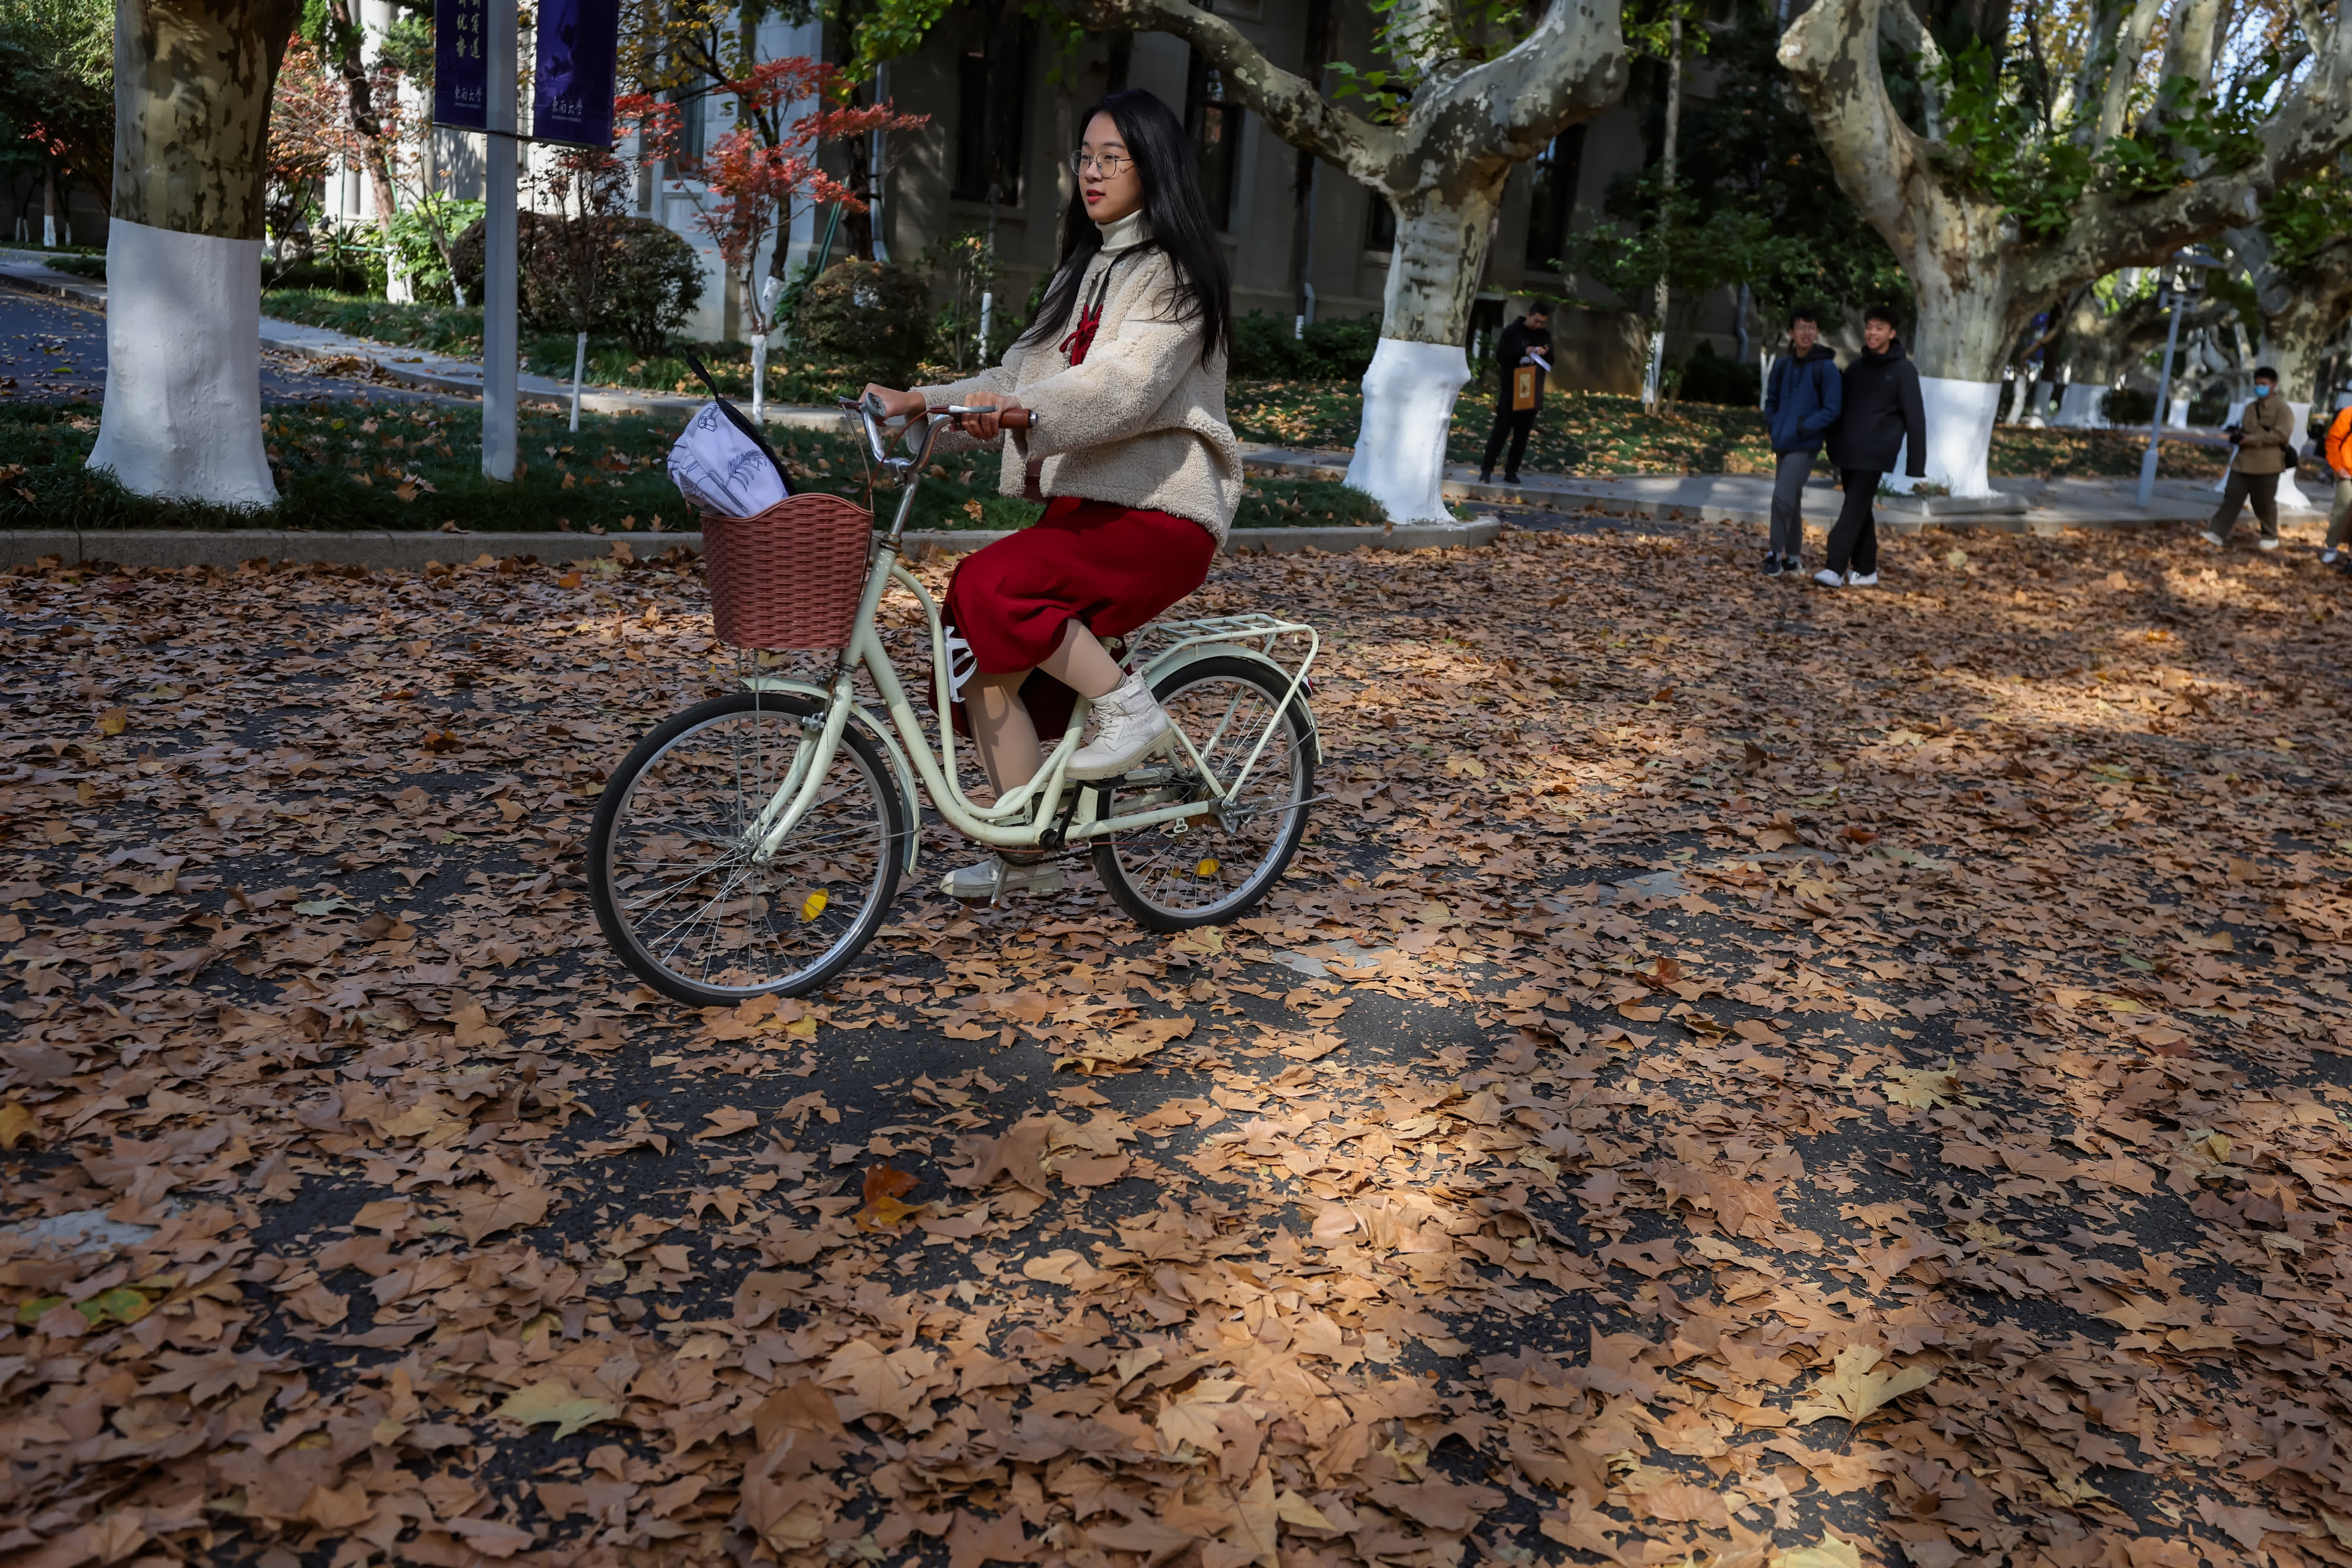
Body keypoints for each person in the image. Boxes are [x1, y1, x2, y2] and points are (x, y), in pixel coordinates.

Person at [864, 89, 1240, 903]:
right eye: (1085, 157)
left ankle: (1132, 709)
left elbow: (1125, 387)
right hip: (1089, 509)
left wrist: (1024, 412)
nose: (1093, 172)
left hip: (1162, 511)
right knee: (976, 641)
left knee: (989, 583)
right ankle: (1029, 854)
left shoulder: (1177, 277)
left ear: (1153, 168)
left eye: (1113, 158)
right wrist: (921, 403)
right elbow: (1014, 377)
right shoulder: (1082, 270)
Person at [1818, 305, 1926, 589]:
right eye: (1869, 327)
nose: (1872, 333)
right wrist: (1834, 447)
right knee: (1861, 509)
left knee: (1853, 508)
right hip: (1850, 449)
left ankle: (1834, 568)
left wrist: (1916, 465)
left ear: (1892, 333)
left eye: (1880, 328)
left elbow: (1915, 418)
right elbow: (1840, 410)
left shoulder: (1904, 371)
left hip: (1877, 452)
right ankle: (1866, 570)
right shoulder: (1856, 369)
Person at [1760, 308, 1841, 577]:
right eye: (1801, 328)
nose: (1806, 333)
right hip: (1783, 441)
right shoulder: (1783, 366)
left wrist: (1804, 427)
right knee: (1791, 501)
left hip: (1806, 445)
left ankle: (1774, 555)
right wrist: (1773, 424)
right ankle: (1793, 560)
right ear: (1791, 333)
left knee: (1781, 497)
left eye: (1811, 327)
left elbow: (1832, 409)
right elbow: (1771, 401)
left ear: (1817, 332)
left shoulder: (1826, 368)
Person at [2203, 367, 2294, 551]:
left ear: (2274, 385)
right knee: (2232, 497)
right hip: (2243, 461)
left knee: (2264, 503)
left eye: (2264, 384)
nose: (2260, 388)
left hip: (2268, 464)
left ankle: (2270, 536)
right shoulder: (2250, 408)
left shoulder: (2283, 409)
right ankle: (2217, 533)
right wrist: (2238, 435)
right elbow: (2245, 429)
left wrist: (2252, 440)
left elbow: (2282, 435)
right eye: (2257, 384)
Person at [1480, 300, 1553, 485]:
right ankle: (1487, 470)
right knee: (1501, 431)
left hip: (1531, 389)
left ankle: (1511, 471)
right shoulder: (1512, 332)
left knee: (1522, 434)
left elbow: (1552, 360)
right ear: (1529, 315)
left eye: (1543, 323)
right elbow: (1502, 356)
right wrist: (1524, 351)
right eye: (1536, 321)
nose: (1539, 325)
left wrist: (1545, 353)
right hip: (1511, 388)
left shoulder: (1544, 335)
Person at [2322, 393, 2352, 570]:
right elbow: (2333, 441)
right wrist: (2338, 467)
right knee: (2343, 508)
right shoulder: (2349, 414)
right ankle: (2332, 546)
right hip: (2347, 472)